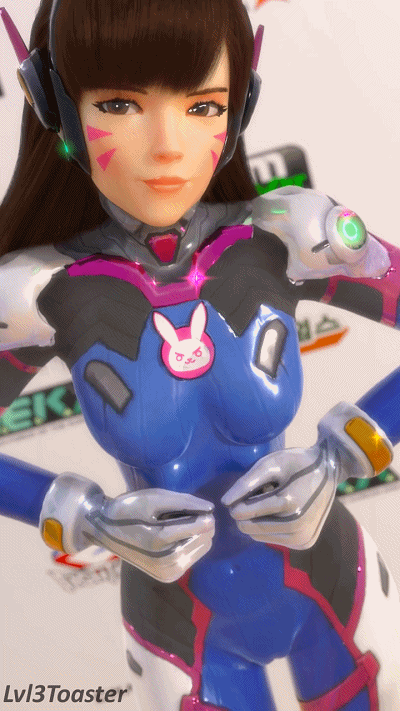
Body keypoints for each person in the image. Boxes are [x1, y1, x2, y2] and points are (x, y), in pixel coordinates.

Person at [0, 0, 400, 708]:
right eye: (120, 104)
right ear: (55, 105)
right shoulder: (42, 293)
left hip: (333, 584)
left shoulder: (285, 239)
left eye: (202, 106)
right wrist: (84, 515)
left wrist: (347, 452)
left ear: (241, 107)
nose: (167, 146)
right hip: (181, 629)